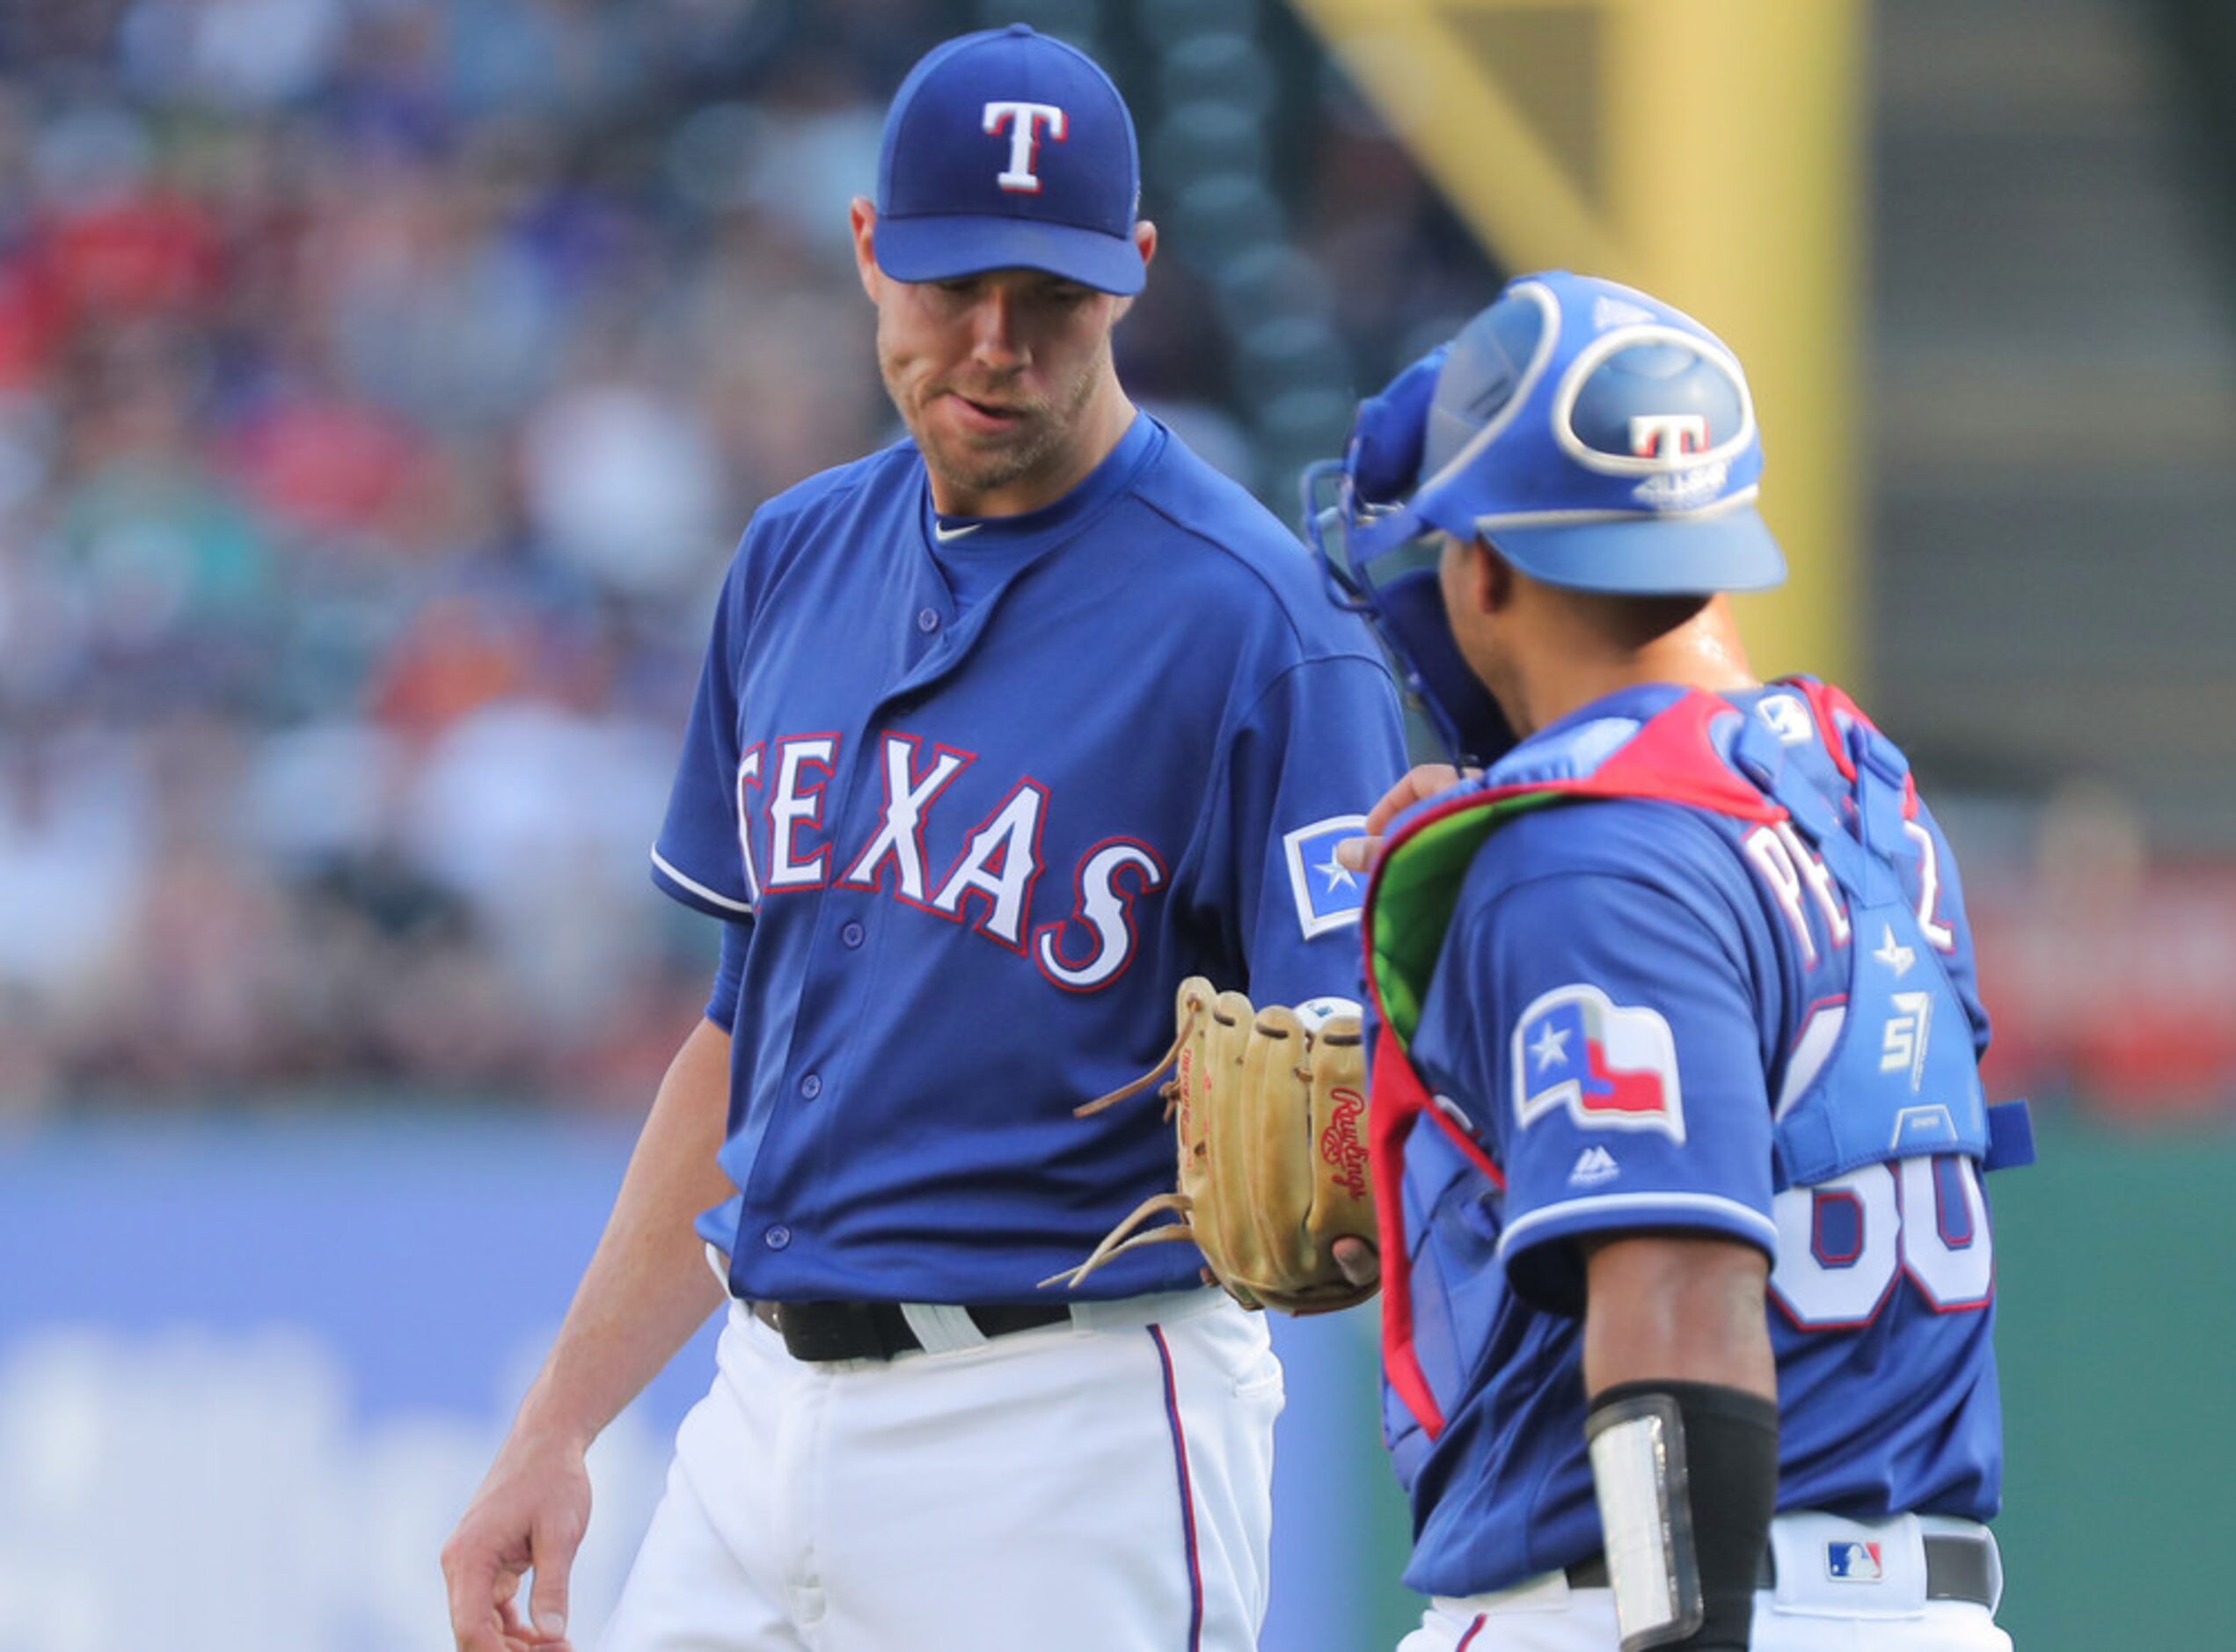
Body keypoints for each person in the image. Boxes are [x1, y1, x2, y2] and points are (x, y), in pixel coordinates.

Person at [437, 24, 1407, 1652]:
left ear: (1135, 275)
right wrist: (556, 1423)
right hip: (760, 1406)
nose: (995, 341)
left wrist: (1352, 1148)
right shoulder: (793, 558)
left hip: (1068, 1422)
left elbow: (1365, 1082)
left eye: (1051, 297)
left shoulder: (1262, 628)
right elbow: (744, 1036)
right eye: (951, 285)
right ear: (868, 248)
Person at [1306, 272, 2033, 1651]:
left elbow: (1679, 1303)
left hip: (1652, 1606)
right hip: (1903, 1597)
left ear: (1487, 565)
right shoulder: (1851, 787)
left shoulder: (1588, 855)